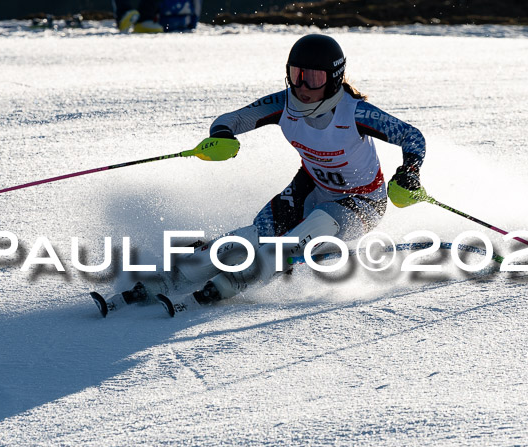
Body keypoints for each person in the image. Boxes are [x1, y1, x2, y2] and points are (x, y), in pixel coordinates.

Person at [90, 34, 427, 317]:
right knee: (249, 238)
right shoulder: (284, 105)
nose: (302, 86)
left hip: (361, 201)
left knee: (289, 244)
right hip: (310, 188)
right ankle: (170, 279)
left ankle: (226, 286)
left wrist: (409, 173)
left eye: (314, 78)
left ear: (334, 78)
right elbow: (232, 119)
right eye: (296, 74)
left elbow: (412, 137)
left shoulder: (355, 112)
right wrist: (221, 135)